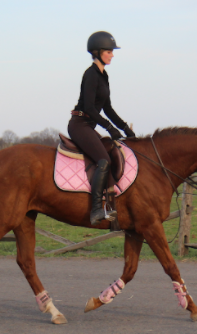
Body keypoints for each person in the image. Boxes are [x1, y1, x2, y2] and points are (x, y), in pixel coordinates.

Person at [68, 31, 136, 225]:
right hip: (79, 125)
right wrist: (108, 127)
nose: (112, 54)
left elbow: (107, 108)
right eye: (109, 51)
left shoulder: (103, 76)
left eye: (112, 51)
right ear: (97, 52)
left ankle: (111, 204)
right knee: (104, 160)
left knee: (113, 152)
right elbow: (89, 107)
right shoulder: (91, 75)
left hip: (89, 125)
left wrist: (123, 128)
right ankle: (96, 208)